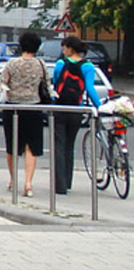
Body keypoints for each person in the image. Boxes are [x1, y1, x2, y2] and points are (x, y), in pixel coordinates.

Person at [0, 31, 46, 197]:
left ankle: (13, 179)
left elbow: (2, 83)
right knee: (31, 146)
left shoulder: (12, 63)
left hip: (13, 107)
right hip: (33, 107)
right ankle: (28, 183)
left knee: (12, 145)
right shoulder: (40, 64)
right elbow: (47, 85)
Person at [51, 34, 100, 195]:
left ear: (70, 49)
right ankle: (68, 180)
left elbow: (55, 83)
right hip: (76, 110)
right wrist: (99, 107)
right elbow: (90, 89)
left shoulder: (60, 64)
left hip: (60, 108)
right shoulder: (88, 66)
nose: (63, 50)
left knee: (59, 144)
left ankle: (60, 185)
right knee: (69, 145)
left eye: (64, 47)